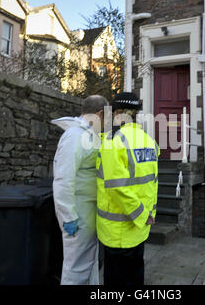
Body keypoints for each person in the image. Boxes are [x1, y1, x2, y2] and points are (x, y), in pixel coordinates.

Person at [96, 92, 159, 286]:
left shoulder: (112, 141)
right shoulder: (148, 140)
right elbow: (151, 182)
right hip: (140, 228)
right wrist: (147, 215)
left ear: (117, 113)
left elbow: (117, 188)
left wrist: (140, 215)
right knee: (135, 277)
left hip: (118, 232)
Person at [52, 95, 108, 285]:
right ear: (100, 114)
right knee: (76, 267)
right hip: (78, 213)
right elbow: (63, 179)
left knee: (88, 263)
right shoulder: (75, 136)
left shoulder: (88, 135)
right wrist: (69, 216)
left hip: (87, 211)